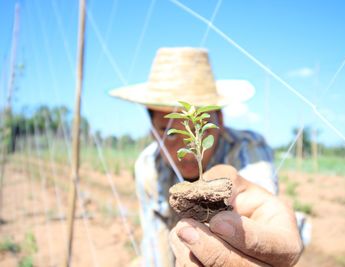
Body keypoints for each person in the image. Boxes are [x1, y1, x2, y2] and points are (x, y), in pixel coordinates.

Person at [110, 47, 303, 266]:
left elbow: (263, 200)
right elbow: (156, 242)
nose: (188, 149)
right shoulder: (148, 166)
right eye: (169, 132)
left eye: (199, 129)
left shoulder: (247, 149)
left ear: (219, 119)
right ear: (152, 130)